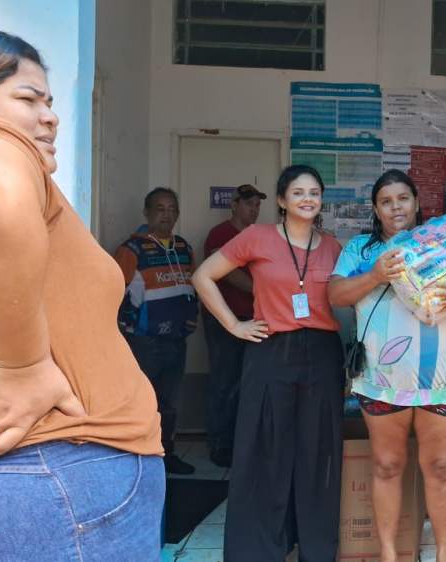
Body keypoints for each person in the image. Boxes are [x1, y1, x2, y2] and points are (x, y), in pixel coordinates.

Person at [0, 27, 163, 561]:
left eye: (49, 101)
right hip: (41, 478)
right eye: (27, 98)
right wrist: (17, 364)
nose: (50, 116)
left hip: (31, 483)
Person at [328, 170, 446, 562]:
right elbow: (336, 294)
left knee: (441, 467)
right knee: (386, 465)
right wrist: (376, 273)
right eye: (386, 201)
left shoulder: (443, 243)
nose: (396, 207)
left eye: (403, 199)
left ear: (416, 202)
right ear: (376, 209)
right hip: (382, 379)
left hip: (441, 378)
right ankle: (388, 555)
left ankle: (443, 555)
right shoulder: (361, 249)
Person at [193, 164, 345, 562]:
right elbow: (204, 276)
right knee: (264, 450)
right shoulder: (257, 237)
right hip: (271, 349)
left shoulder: (332, 246)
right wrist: (234, 325)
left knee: (316, 454)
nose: (307, 199)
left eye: (314, 192)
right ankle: (258, 549)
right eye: (298, 192)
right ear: (281, 200)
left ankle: (314, 547)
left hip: (322, 353)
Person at [115, 187, 199, 475]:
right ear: (147, 212)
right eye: (160, 209)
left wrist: (191, 320)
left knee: (170, 402)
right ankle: (139, 459)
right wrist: (130, 331)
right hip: (144, 340)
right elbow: (117, 294)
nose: (167, 215)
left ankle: (167, 454)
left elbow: (192, 287)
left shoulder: (183, 248)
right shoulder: (132, 249)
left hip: (176, 338)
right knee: (142, 401)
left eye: (172, 209)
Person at [202, 183, 265, 467]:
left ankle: (241, 444)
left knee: (246, 384)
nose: (254, 209)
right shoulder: (221, 234)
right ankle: (220, 446)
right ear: (235, 204)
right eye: (249, 204)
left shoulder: (257, 236)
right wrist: (263, 291)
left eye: (257, 205)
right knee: (224, 382)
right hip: (225, 321)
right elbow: (228, 274)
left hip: (252, 321)